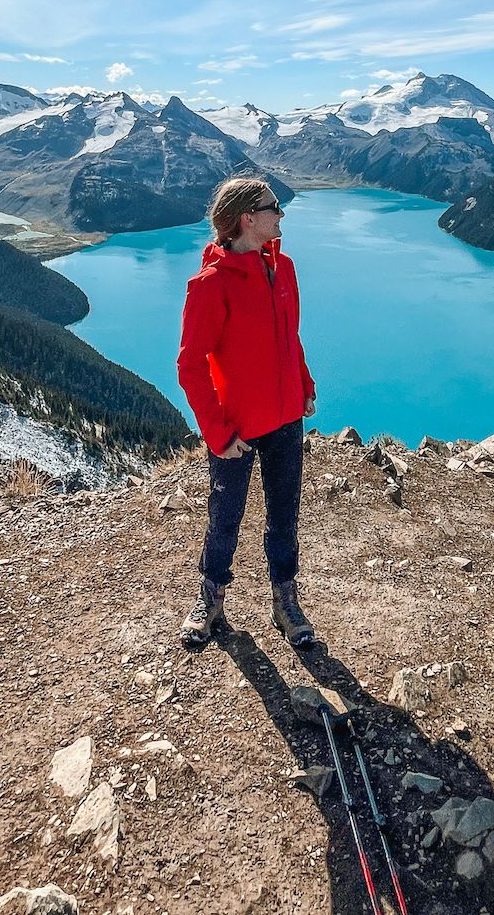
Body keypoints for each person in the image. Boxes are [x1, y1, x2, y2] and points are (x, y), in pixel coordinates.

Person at [176, 175, 318, 649]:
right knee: (226, 516)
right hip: (236, 429)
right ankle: (211, 598)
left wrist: (304, 384)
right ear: (247, 219)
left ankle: (285, 601)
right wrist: (217, 433)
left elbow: (288, 337)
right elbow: (190, 366)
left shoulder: (286, 270)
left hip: (285, 418)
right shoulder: (210, 286)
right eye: (273, 206)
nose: (282, 213)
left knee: (284, 515)